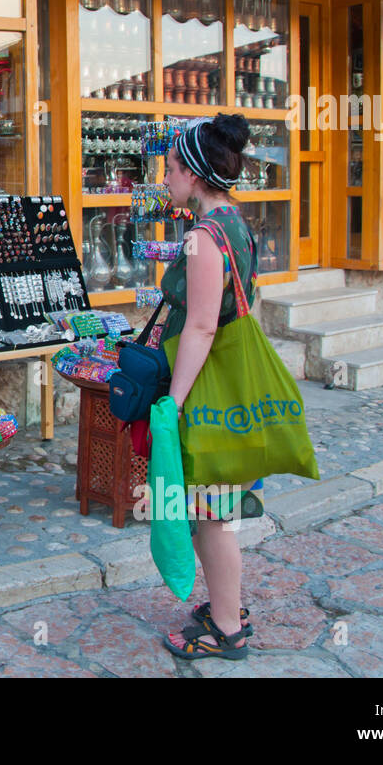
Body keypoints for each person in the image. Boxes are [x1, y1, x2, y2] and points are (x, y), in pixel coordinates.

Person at [158, 114, 261, 661]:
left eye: (171, 167)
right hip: (225, 381)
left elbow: (200, 325)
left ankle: (226, 627)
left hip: (202, 388)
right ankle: (227, 604)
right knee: (214, 506)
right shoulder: (236, 225)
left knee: (209, 511)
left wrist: (173, 402)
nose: (166, 177)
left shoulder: (202, 237)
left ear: (195, 174)